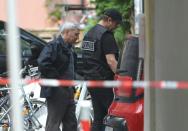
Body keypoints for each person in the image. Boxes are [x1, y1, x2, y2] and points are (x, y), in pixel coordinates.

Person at [81, 8, 122, 131]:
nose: (116, 27)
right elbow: (111, 61)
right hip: (103, 82)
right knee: (116, 116)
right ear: (109, 20)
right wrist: (121, 77)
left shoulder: (89, 34)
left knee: (99, 118)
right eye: (116, 24)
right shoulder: (106, 36)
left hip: (91, 81)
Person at [37, 22, 80, 131]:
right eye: (75, 34)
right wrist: (57, 80)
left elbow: (71, 67)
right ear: (66, 32)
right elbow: (43, 63)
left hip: (69, 89)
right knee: (54, 122)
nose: (77, 37)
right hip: (57, 90)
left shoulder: (70, 48)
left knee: (71, 122)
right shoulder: (53, 45)